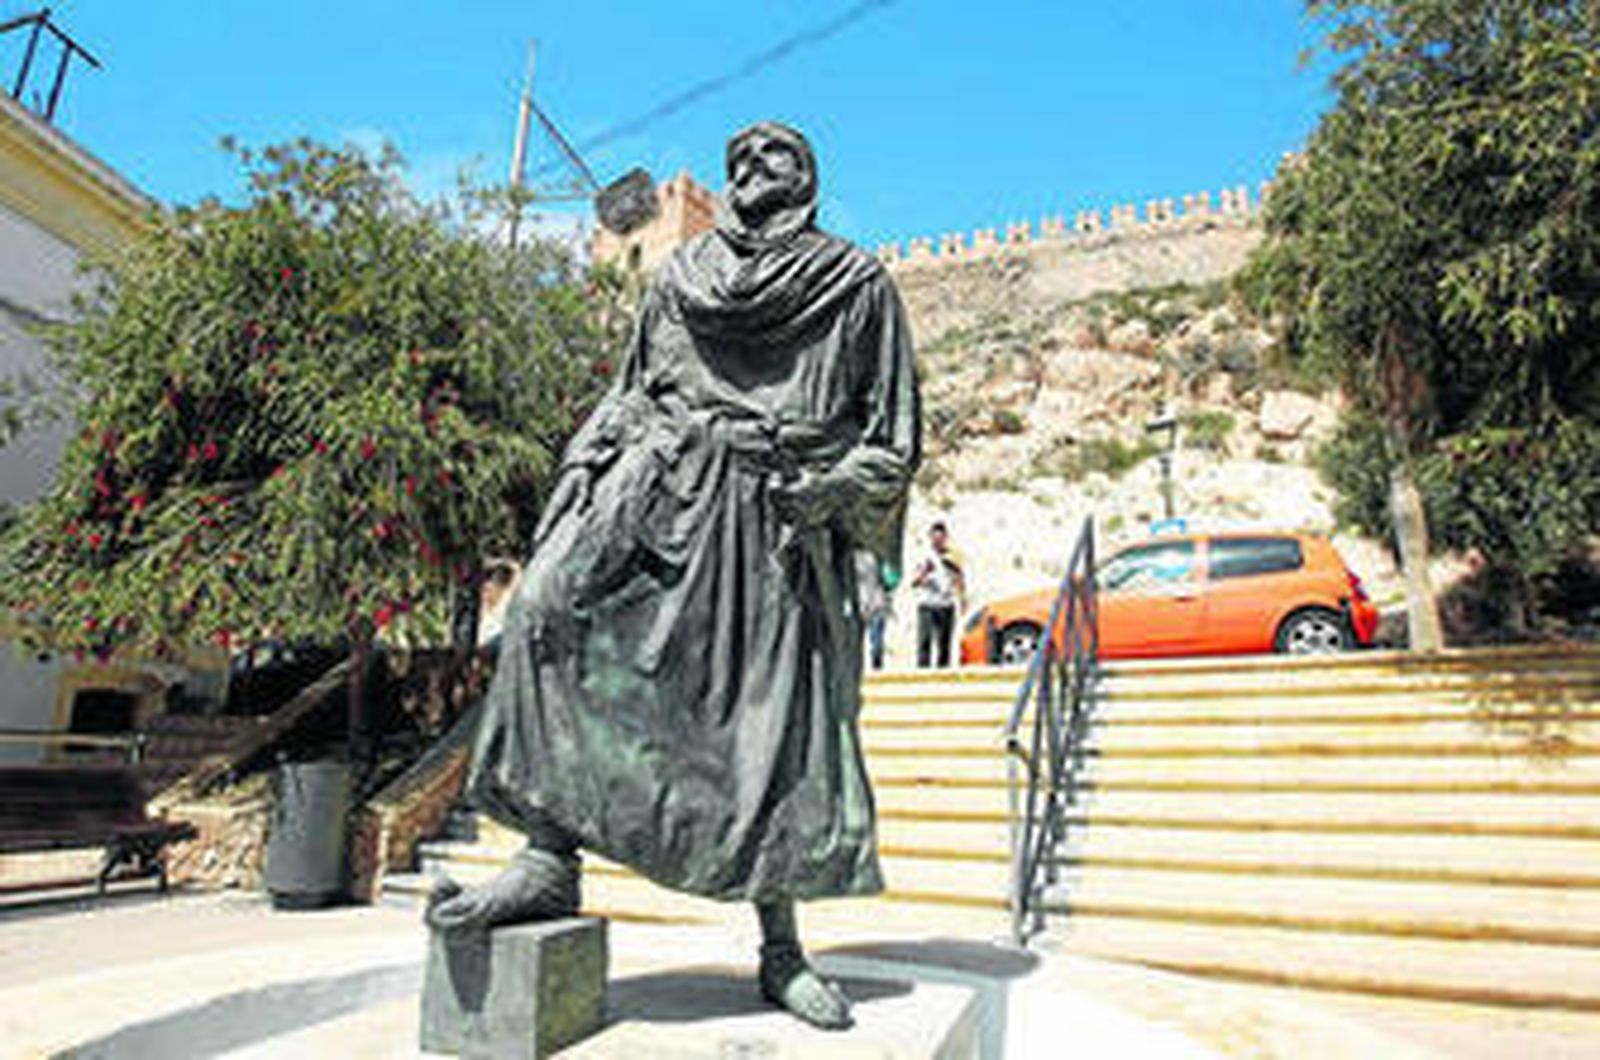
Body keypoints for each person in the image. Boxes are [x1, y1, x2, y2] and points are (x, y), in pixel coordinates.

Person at [425, 121, 920, 1032]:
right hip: (656, 497)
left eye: (780, 155)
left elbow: (889, 439)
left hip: (777, 513)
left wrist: (828, 494)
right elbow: (629, 393)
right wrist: (578, 480)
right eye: (742, 156)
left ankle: (781, 947)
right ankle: (546, 856)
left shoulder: (856, 286)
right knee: (541, 616)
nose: (755, 167)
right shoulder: (680, 281)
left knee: (769, 728)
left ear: (811, 176)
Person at [913, 521, 964, 668]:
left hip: (946, 604)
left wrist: (962, 598)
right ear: (930, 538)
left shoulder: (952, 556)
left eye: (941, 538)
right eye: (935, 538)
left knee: (944, 644)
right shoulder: (922, 555)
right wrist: (925, 572)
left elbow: (959, 577)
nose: (938, 541)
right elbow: (914, 582)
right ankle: (922, 675)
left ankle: (942, 676)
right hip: (927, 604)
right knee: (924, 642)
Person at [856, 552, 894, 670]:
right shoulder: (855, 557)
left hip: (873, 603)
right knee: (870, 640)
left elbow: (891, 580)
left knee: (876, 641)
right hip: (865, 602)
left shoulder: (879, 558)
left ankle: (874, 667)